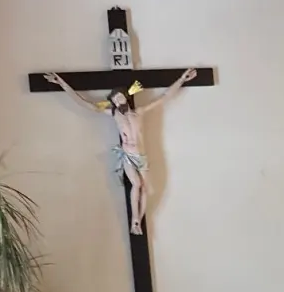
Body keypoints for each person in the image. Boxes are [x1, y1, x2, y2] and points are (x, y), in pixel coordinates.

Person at [42, 68, 198, 236]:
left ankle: (139, 219)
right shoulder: (114, 114)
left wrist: (182, 79)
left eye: (120, 96)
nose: (118, 100)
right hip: (128, 156)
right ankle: (135, 220)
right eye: (115, 99)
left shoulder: (139, 112)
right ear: (113, 103)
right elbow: (84, 103)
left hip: (142, 155)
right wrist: (63, 84)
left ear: (126, 96)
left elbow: (164, 97)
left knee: (146, 189)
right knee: (136, 185)